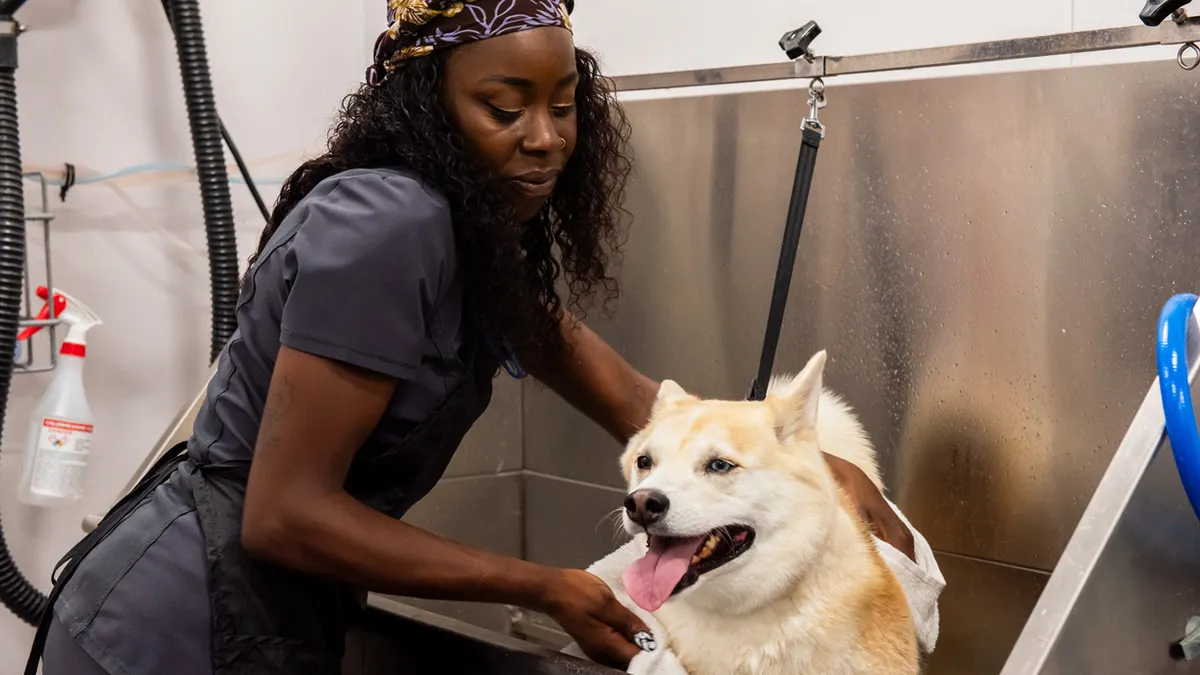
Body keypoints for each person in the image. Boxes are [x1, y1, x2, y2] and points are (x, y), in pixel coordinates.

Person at [29, 2, 916, 674]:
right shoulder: (386, 222)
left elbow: (618, 390)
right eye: (505, 107)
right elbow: (284, 512)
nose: (545, 139)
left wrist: (807, 465)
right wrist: (543, 584)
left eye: (565, 105)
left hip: (261, 607)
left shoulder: (467, 228)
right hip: (172, 625)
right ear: (430, 104)